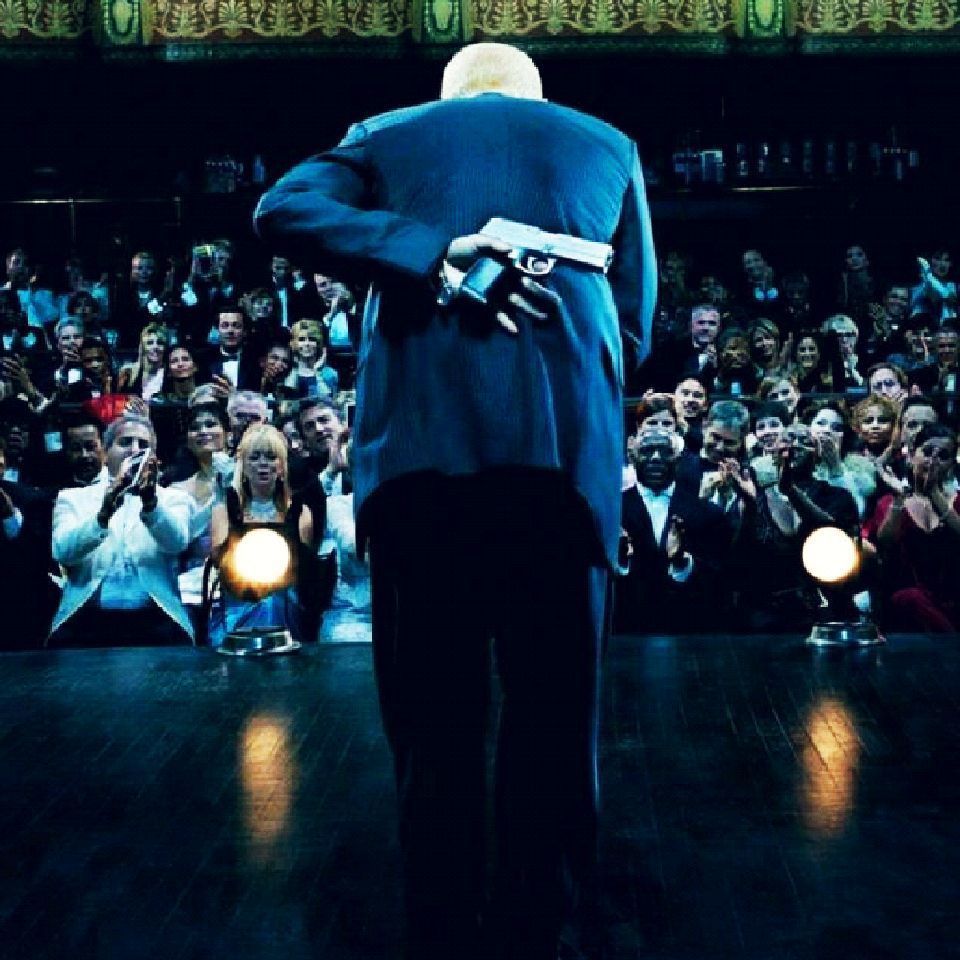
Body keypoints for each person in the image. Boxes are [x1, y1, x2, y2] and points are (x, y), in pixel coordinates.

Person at [254, 40, 656, 960]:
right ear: (536, 98)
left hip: (422, 468)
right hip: (561, 469)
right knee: (556, 722)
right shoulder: (608, 143)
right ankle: (538, 929)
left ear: (447, 96)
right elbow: (634, 324)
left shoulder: (388, 133)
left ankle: (441, 927)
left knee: (433, 725)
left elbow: (282, 208)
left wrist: (431, 252)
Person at [48, 414, 194, 647]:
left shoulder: (174, 499)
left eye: (143, 445)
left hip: (155, 621)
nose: (135, 450)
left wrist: (151, 505)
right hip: (88, 621)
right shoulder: (72, 498)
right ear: (105, 453)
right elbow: (62, 552)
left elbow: (176, 543)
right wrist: (102, 516)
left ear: (153, 458)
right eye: (125, 442)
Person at [208, 423, 318, 647]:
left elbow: (304, 569)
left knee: (273, 605)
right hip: (237, 602)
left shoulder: (300, 512)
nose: (263, 464)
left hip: (285, 601)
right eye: (254, 457)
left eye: (270, 457)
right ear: (243, 466)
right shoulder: (224, 510)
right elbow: (220, 560)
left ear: (281, 466)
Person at [863, 424, 960, 632]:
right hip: (905, 602)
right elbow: (885, 542)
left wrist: (934, 493)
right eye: (927, 452)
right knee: (909, 598)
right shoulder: (889, 502)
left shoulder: (957, 502)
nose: (933, 460)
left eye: (943, 456)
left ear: (952, 464)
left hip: (953, 599)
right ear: (912, 456)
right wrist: (900, 498)